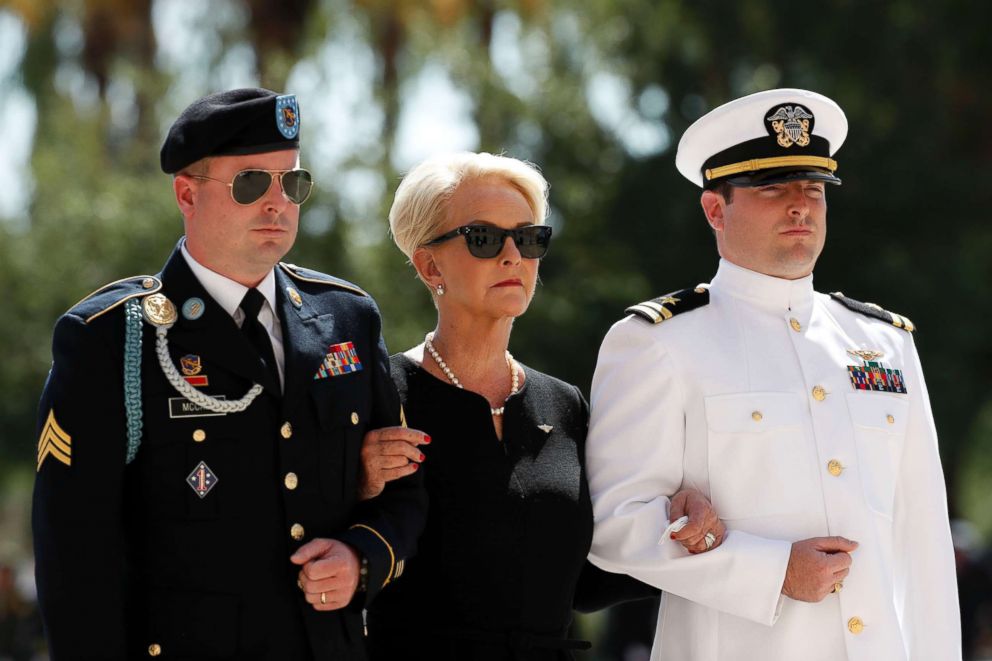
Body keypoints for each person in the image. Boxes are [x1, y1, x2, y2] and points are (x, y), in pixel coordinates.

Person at [32, 88, 427, 660]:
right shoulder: (113, 337)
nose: (277, 203)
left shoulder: (346, 317)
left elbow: (405, 491)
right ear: (187, 194)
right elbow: (75, 557)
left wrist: (361, 556)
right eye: (250, 183)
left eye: (292, 183)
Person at [585, 88, 961, 660]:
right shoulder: (657, 343)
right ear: (715, 209)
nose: (800, 205)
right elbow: (615, 526)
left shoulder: (884, 343)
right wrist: (774, 571)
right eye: (772, 188)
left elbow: (925, 543)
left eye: (813, 188)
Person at [357, 151, 725, 660]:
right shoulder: (377, 394)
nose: (513, 256)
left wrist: (675, 528)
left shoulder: (564, 402)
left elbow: (586, 582)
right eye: (483, 238)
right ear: (428, 263)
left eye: (528, 238)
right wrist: (357, 485)